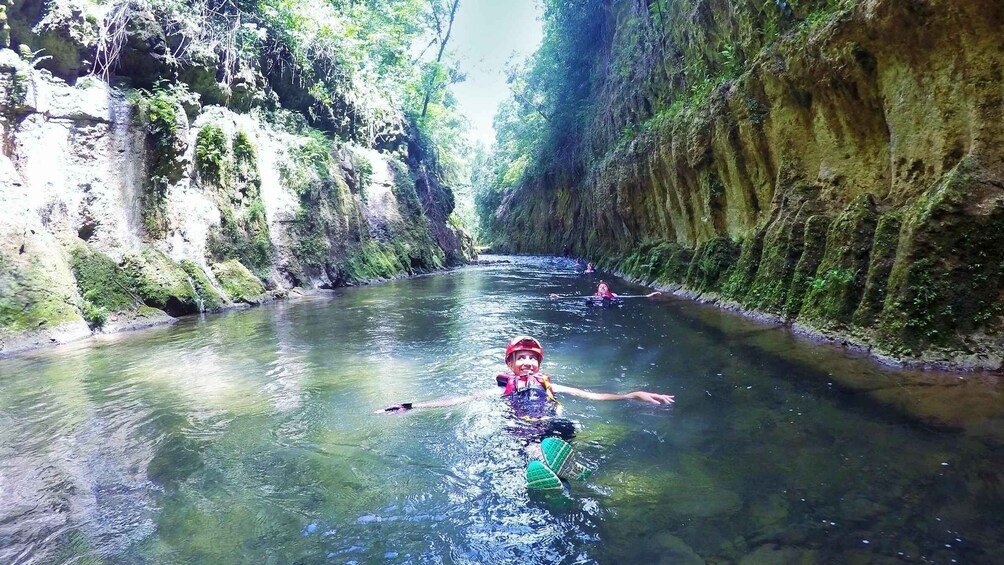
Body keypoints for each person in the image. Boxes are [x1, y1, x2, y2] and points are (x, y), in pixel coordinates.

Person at [379, 335, 674, 491]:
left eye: (533, 359)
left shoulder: (550, 385)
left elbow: (592, 395)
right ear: (511, 365)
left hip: (550, 424)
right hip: (522, 427)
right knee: (532, 444)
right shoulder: (503, 390)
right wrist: (411, 405)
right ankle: (555, 475)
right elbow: (461, 399)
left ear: (539, 365)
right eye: (522, 358)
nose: (528, 363)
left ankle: (563, 467)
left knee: (564, 427)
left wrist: (633, 394)